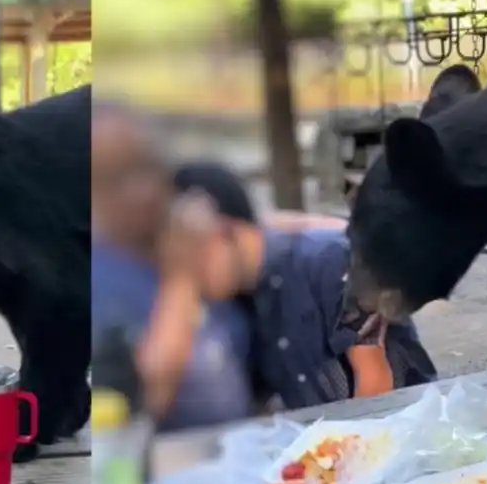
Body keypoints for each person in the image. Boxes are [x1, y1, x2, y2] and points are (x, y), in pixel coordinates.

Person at [90, 103, 346, 429]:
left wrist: (349, 235)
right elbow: (141, 405)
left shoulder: (179, 230)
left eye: (148, 169)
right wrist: (180, 280)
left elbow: (253, 227)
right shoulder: (103, 275)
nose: (141, 191)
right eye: (115, 180)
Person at [169, 162, 437, 412]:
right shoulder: (238, 300)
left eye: (188, 257)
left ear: (223, 231)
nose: (186, 277)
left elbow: (377, 389)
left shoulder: (334, 261)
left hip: (404, 431)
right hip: (323, 445)